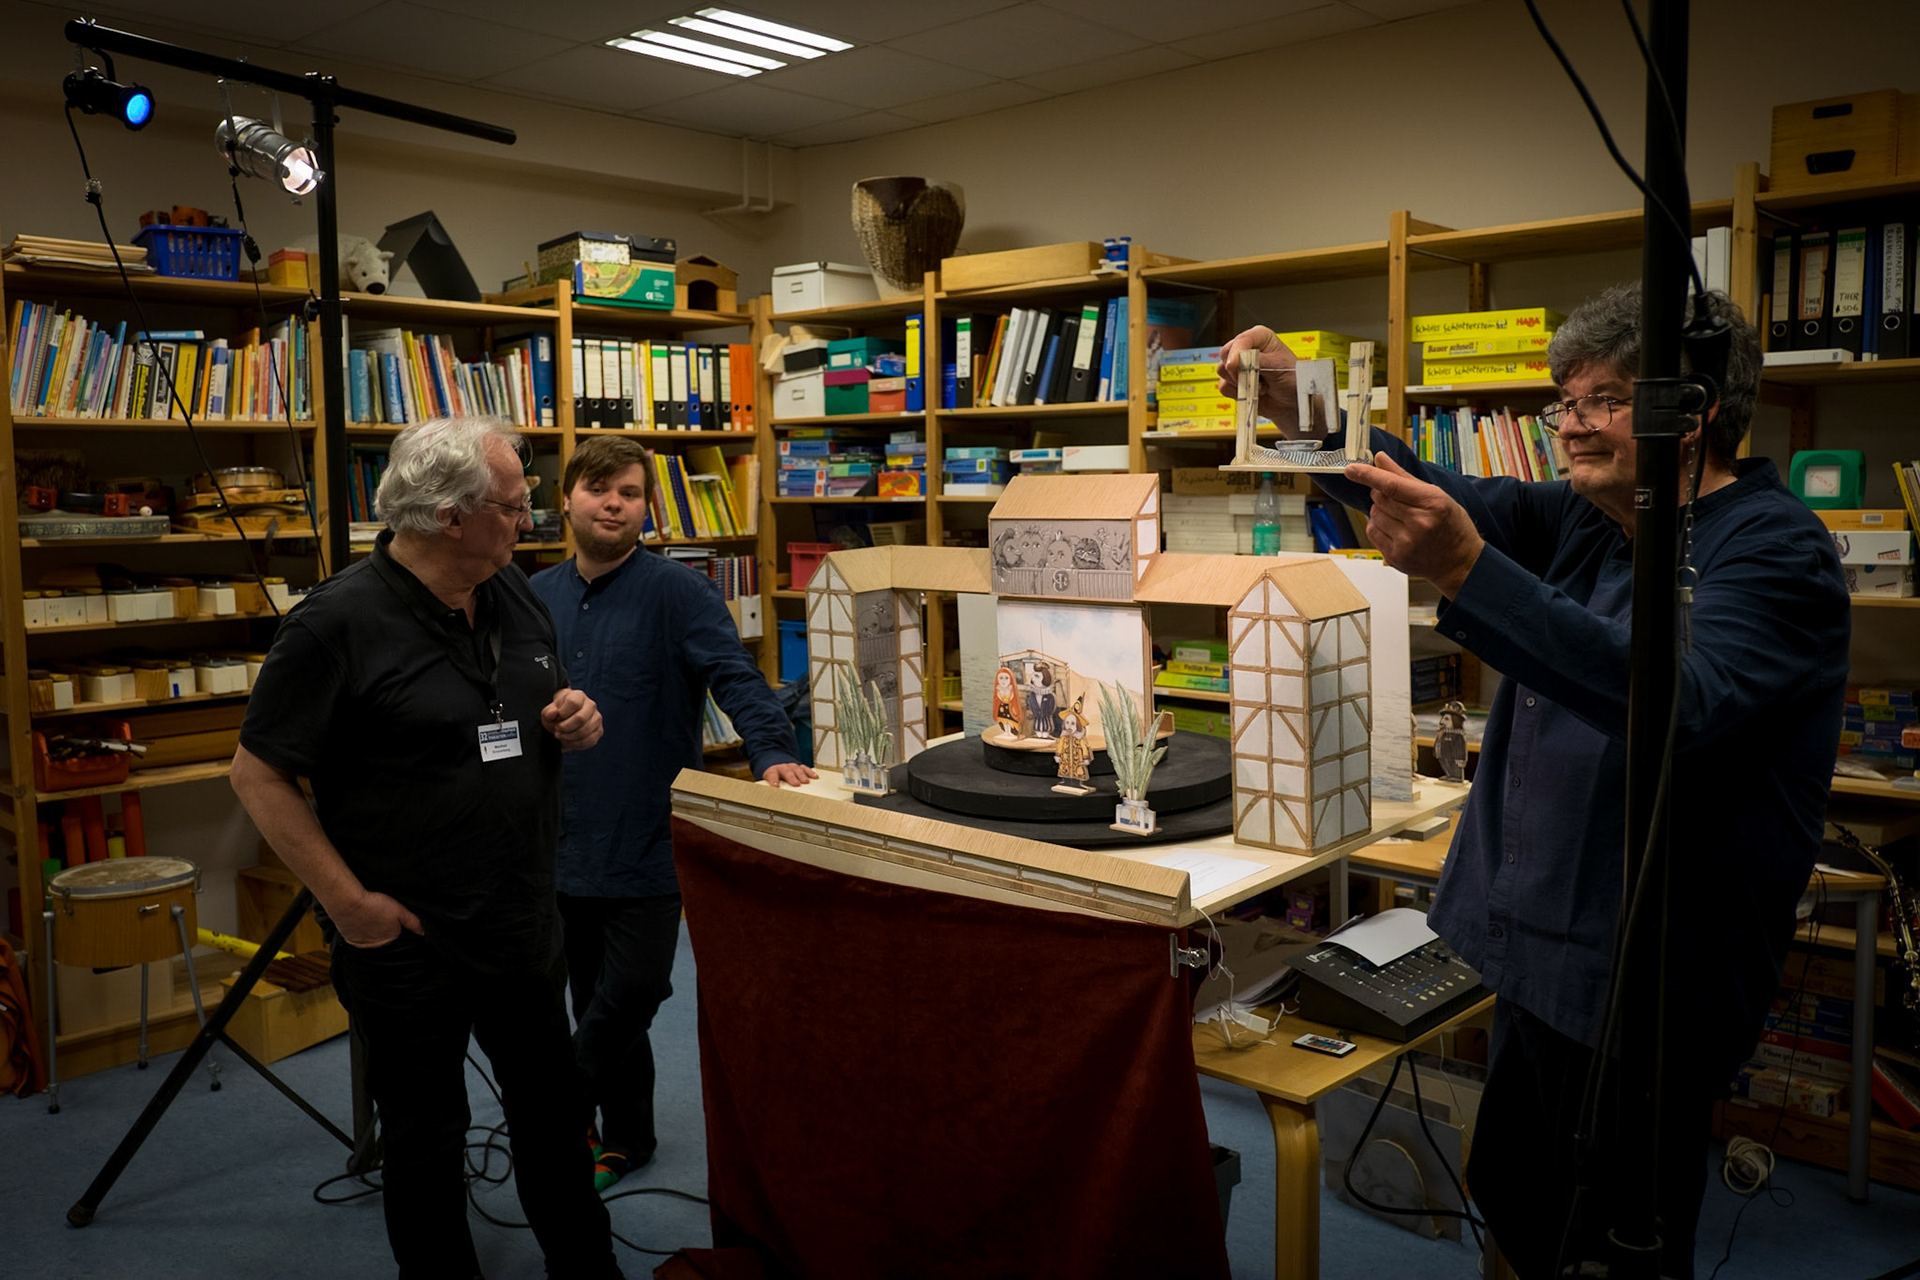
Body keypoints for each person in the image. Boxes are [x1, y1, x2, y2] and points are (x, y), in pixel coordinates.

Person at [1221, 284, 1849, 1279]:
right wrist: (1303, 402)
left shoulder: (1777, 550)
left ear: (1690, 413)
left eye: (1603, 400)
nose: (1571, 425)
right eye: (1567, 401)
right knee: (1514, 1196)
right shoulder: (1590, 521)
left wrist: (1468, 569)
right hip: (1534, 954)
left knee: (1610, 1243)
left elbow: (1677, 702)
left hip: (1645, 986)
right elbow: (1419, 487)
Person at [230, 417, 620, 1280]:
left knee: (555, 1114)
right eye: (512, 507)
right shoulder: (334, 624)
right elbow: (256, 775)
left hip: (520, 917)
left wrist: (574, 716)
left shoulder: (510, 587)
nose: (530, 521)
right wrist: (349, 908)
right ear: (450, 516)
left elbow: (541, 699)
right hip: (407, 939)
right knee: (426, 1136)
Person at [527, 436, 813, 1190]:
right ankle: (626, 1138)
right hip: (560, 836)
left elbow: (735, 676)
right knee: (590, 994)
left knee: (634, 990)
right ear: (566, 499)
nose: (612, 504)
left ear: (647, 507)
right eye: (598, 489)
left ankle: (559, 1112)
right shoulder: (532, 595)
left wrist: (770, 751)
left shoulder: (680, 593)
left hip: (648, 834)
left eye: (629, 492)